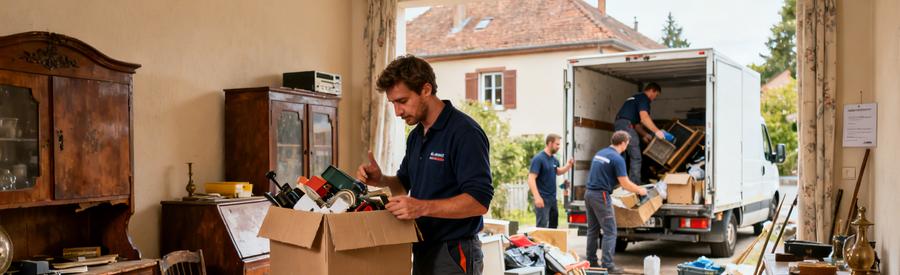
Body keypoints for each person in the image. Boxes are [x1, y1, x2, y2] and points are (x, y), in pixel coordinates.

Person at [356, 55, 493, 275]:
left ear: (426, 90)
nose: (397, 112)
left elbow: (479, 201)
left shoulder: (464, 133)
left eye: (402, 101)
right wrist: (380, 179)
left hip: (454, 251)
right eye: (393, 103)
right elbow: (403, 184)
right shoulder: (416, 135)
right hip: (422, 247)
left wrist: (421, 207)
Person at [584, 131, 648, 273]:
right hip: (601, 196)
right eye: (627, 144)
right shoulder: (617, 159)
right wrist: (639, 190)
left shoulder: (601, 153)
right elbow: (625, 183)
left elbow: (604, 174)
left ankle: (592, 261)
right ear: (624, 143)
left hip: (589, 194)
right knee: (610, 231)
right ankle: (608, 265)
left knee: (593, 230)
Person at [613, 82, 665, 184]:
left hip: (620, 125)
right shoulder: (644, 98)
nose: (655, 98)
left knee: (622, 156)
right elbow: (644, 117)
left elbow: (636, 125)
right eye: (656, 95)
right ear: (652, 91)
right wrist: (657, 131)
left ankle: (618, 183)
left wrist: (645, 134)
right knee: (635, 156)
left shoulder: (635, 98)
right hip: (626, 126)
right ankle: (634, 184)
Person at [527, 133, 573, 228]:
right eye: (557, 144)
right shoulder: (539, 159)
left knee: (553, 226)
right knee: (542, 227)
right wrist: (537, 197)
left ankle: (550, 243)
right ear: (550, 143)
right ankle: (540, 243)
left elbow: (557, 171)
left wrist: (568, 166)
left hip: (552, 199)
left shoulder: (554, 160)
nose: (559, 147)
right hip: (542, 198)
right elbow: (531, 179)